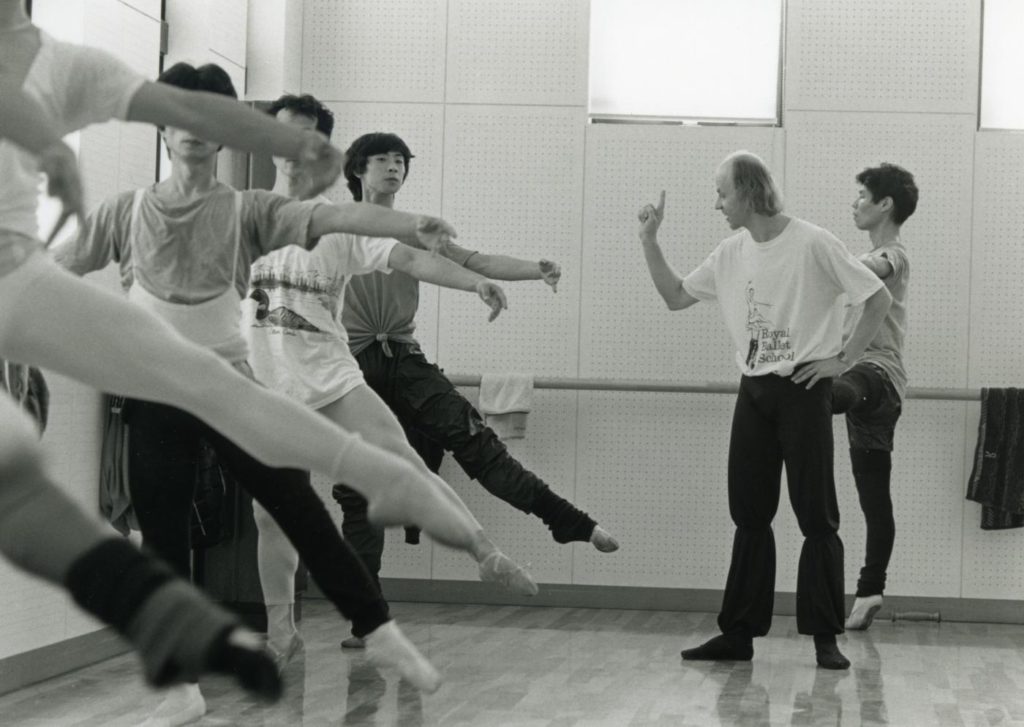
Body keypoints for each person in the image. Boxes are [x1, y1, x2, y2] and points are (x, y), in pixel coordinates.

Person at [53, 63, 536, 719]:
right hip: (158, 391)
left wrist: (409, 222)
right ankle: (182, 684)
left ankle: (379, 627)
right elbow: (52, 270)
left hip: (235, 387)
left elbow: (338, 214)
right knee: (162, 536)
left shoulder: (253, 209)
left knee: (296, 506)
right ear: (162, 127)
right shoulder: (126, 210)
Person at [241, 93, 538, 661]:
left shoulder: (339, 218)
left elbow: (411, 259)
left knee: (400, 462)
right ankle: (281, 632)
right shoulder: (246, 213)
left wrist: (471, 282)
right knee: (269, 513)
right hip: (264, 386)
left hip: (330, 377)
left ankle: (484, 553)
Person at [333, 130, 619, 647]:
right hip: (350, 364)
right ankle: (367, 620)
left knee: (478, 444)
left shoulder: (417, 231)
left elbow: (476, 263)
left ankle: (565, 520)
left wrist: (536, 270)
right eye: (382, 160)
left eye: (400, 160)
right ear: (357, 170)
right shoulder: (335, 225)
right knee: (360, 494)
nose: (393, 168)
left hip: (404, 358)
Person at [636, 151, 892, 670]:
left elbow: (877, 297)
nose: (717, 204)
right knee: (750, 516)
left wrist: (841, 361)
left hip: (803, 390)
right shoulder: (730, 251)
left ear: (749, 192)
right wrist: (649, 240)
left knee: (817, 517)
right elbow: (675, 297)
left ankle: (825, 637)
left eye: (721, 193)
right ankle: (738, 635)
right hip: (753, 392)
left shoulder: (814, 242)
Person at [833, 163, 917, 630]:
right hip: (869, 398)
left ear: (885, 204)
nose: (855, 203)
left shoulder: (894, 253)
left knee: (831, 391)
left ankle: (814, 403)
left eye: (861, 195)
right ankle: (869, 591)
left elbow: (875, 269)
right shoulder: (870, 254)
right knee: (874, 498)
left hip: (877, 378)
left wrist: (831, 264)